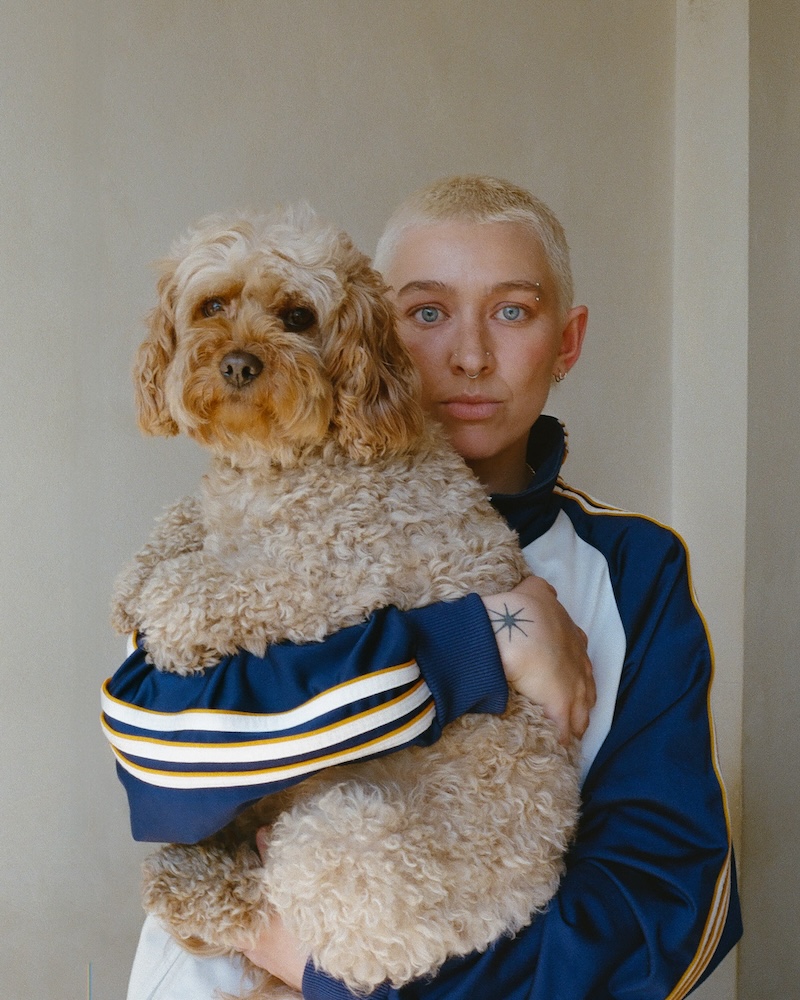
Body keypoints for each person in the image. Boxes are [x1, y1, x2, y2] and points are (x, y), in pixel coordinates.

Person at [110, 175, 741, 1000]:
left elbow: (662, 911)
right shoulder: (223, 532)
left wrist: (332, 974)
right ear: (367, 332)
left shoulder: (634, 570)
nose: (469, 355)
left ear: (568, 341)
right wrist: (489, 635)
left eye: (513, 311)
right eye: (427, 313)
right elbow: (165, 769)